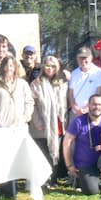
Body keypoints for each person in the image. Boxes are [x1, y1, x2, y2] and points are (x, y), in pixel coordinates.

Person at [0, 55, 34, 199]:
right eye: (6, 65)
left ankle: (19, 183)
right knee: (4, 156)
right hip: (2, 127)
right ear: (2, 67)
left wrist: (26, 117)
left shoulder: (22, 84)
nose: (9, 68)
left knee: (19, 156)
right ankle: (5, 185)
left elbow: (29, 102)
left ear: (15, 68)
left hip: (19, 126)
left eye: (12, 65)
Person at [63, 94, 101, 195]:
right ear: (88, 105)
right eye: (94, 104)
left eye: (100, 104)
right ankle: (81, 180)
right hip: (86, 164)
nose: (97, 107)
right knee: (91, 191)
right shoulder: (79, 121)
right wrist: (69, 165)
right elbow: (67, 142)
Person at [29, 55, 68, 184]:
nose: (50, 69)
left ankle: (54, 177)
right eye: (47, 66)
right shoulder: (36, 84)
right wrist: (38, 122)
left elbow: (65, 102)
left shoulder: (61, 83)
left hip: (58, 123)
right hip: (42, 124)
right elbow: (31, 104)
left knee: (56, 151)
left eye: (53, 66)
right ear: (43, 67)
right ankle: (45, 178)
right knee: (44, 153)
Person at [67, 47, 101, 125]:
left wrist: (87, 109)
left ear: (91, 58)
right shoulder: (74, 73)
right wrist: (75, 108)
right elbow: (71, 93)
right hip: (75, 113)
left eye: (85, 57)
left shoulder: (98, 72)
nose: (83, 60)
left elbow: (100, 93)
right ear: (77, 59)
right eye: (80, 58)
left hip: (92, 112)